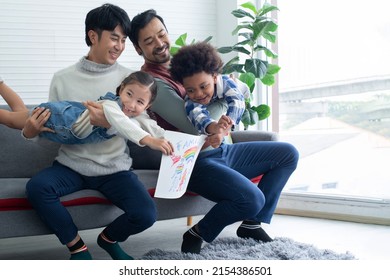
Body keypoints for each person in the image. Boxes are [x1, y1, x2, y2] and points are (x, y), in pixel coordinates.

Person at [128, 9, 300, 254]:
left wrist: (227, 89)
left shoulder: (184, 68)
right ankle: (198, 232)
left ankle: (251, 224)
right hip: (193, 161)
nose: (159, 43)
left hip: (222, 151)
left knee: (287, 153)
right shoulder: (150, 82)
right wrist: (226, 90)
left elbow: (232, 93)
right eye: (148, 41)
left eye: (161, 34)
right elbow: (192, 123)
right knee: (252, 198)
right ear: (138, 49)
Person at [22, 4, 156, 260]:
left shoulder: (131, 78)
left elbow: (141, 124)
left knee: (146, 214)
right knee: (37, 188)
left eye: (124, 40)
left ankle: (108, 239)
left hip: (115, 168)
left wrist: (109, 123)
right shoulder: (62, 78)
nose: (119, 46)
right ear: (93, 36)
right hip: (71, 165)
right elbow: (54, 131)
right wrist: (30, 132)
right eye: (114, 38)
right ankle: (78, 248)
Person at [0, 72, 174, 155]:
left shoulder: (137, 114)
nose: (131, 104)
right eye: (129, 94)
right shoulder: (111, 106)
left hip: (68, 125)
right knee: (10, 119)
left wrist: (171, 141)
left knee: (20, 112)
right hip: (59, 119)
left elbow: (151, 126)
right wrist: (150, 140)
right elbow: (123, 124)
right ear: (121, 89)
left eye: (140, 102)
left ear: (148, 105)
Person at [169, 41, 246, 136]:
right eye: (190, 90)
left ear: (214, 77)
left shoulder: (226, 83)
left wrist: (228, 122)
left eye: (203, 86)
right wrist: (215, 127)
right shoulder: (190, 102)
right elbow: (199, 117)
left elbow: (237, 100)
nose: (198, 94)